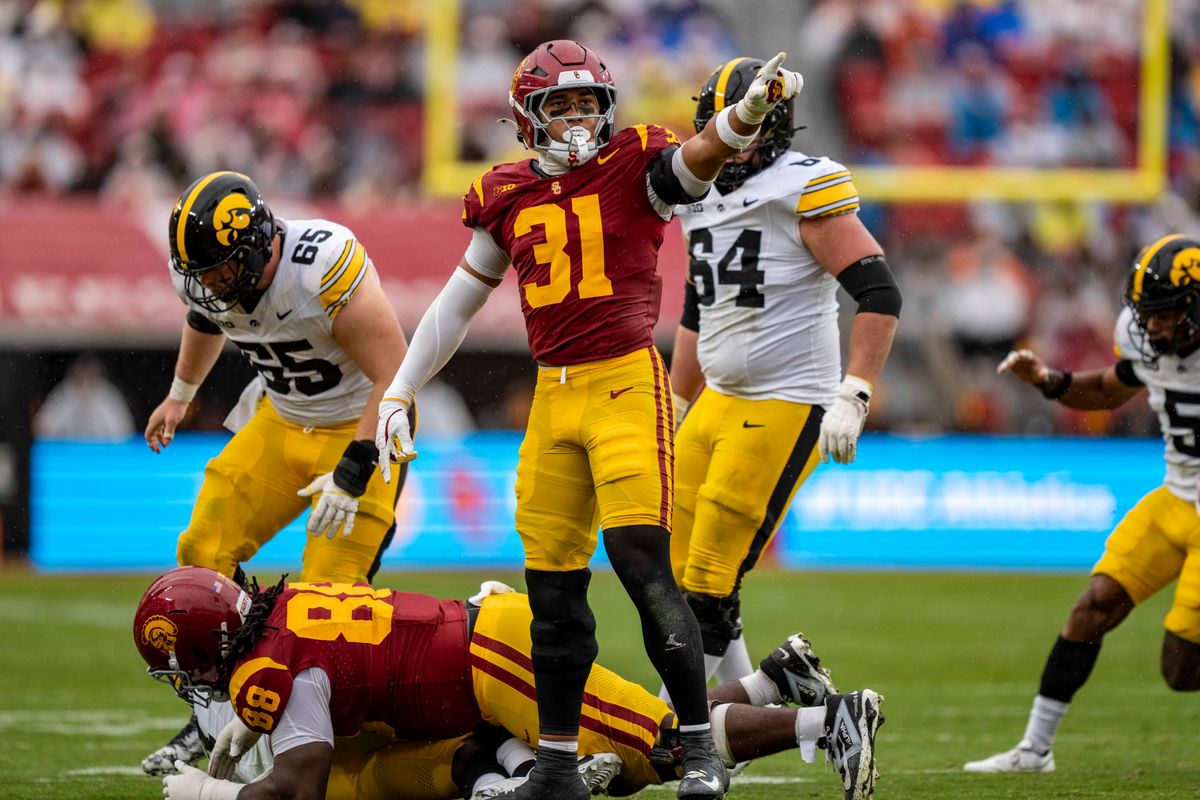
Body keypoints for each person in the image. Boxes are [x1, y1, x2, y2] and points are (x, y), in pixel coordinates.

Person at [374, 40, 806, 800]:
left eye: (587, 103)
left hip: (624, 384)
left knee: (643, 566)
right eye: (560, 105)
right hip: (553, 396)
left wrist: (745, 113)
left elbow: (700, 157)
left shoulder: (635, 163)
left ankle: (699, 749)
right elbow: (456, 305)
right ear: (526, 118)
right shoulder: (505, 193)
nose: (577, 118)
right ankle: (555, 764)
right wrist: (400, 388)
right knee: (551, 598)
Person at [133, 566, 884, 800]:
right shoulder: (281, 607)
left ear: (207, 644)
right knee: (622, 761)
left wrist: (210, 794)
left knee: (659, 749)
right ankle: (772, 679)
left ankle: (830, 722)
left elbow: (301, 789)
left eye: (185, 664)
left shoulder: (269, 667)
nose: (188, 680)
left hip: (490, 661)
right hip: (471, 667)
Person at [140, 171, 411, 775]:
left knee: (327, 602)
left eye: (219, 269)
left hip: (358, 426)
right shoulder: (207, 280)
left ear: (259, 244)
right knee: (201, 554)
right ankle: (214, 718)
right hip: (281, 420)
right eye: (200, 272)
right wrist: (181, 394)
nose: (209, 284)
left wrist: (356, 466)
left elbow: (397, 371)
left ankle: (318, 738)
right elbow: (203, 319)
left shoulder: (319, 266)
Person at [666, 57, 901, 689]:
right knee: (675, 564)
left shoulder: (801, 186)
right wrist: (677, 402)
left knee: (710, 579)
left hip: (787, 398)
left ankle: (672, 727)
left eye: (744, 124)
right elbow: (698, 306)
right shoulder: (696, 194)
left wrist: (855, 392)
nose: (732, 138)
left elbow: (879, 292)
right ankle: (759, 705)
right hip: (718, 398)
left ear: (772, 127)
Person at [964, 234, 1200, 773]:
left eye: (1167, 313)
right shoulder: (1143, 338)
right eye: (1148, 314)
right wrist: (1050, 381)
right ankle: (1035, 750)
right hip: (1177, 495)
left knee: (1181, 668)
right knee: (1095, 604)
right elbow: (1112, 387)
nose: (1154, 327)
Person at [33, 354, 136, 440]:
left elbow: (125, 432)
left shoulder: (107, 394)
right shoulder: (65, 392)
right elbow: (42, 428)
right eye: (81, 374)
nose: (85, 380)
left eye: (90, 374)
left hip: (101, 453)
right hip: (69, 453)